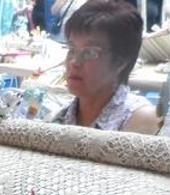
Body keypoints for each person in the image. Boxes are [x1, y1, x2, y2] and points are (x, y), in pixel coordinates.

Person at [49, 0, 160, 134]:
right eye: (72, 49)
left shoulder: (142, 120)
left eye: (89, 53)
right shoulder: (59, 118)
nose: (74, 62)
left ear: (121, 62)